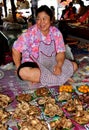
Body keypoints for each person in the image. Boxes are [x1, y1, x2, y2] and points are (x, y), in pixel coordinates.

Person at [12, 5, 78, 86]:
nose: (41, 22)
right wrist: (18, 67)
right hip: (34, 65)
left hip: (52, 63)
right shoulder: (30, 33)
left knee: (74, 66)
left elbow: (61, 52)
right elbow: (15, 49)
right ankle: (60, 78)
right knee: (23, 72)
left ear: (51, 20)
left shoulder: (56, 33)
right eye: (38, 19)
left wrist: (59, 66)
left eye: (44, 18)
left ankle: (47, 79)